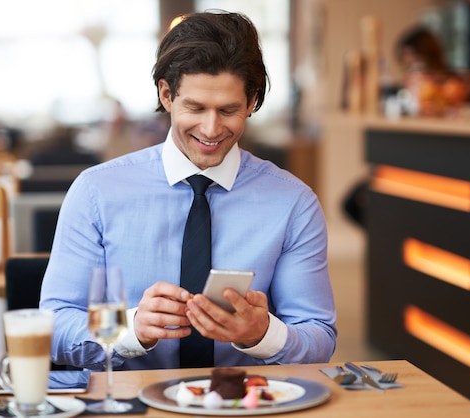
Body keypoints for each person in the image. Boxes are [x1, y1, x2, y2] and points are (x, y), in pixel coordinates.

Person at [39, 10, 336, 371]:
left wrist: (264, 334)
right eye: (195, 108)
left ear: (252, 101)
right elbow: (53, 325)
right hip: (131, 405)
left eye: (228, 110)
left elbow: (318, 335)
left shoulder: (293, 203)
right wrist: (129, 329)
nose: (211, 129)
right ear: (166, 94)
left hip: (244, 403)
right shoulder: (96, 192)